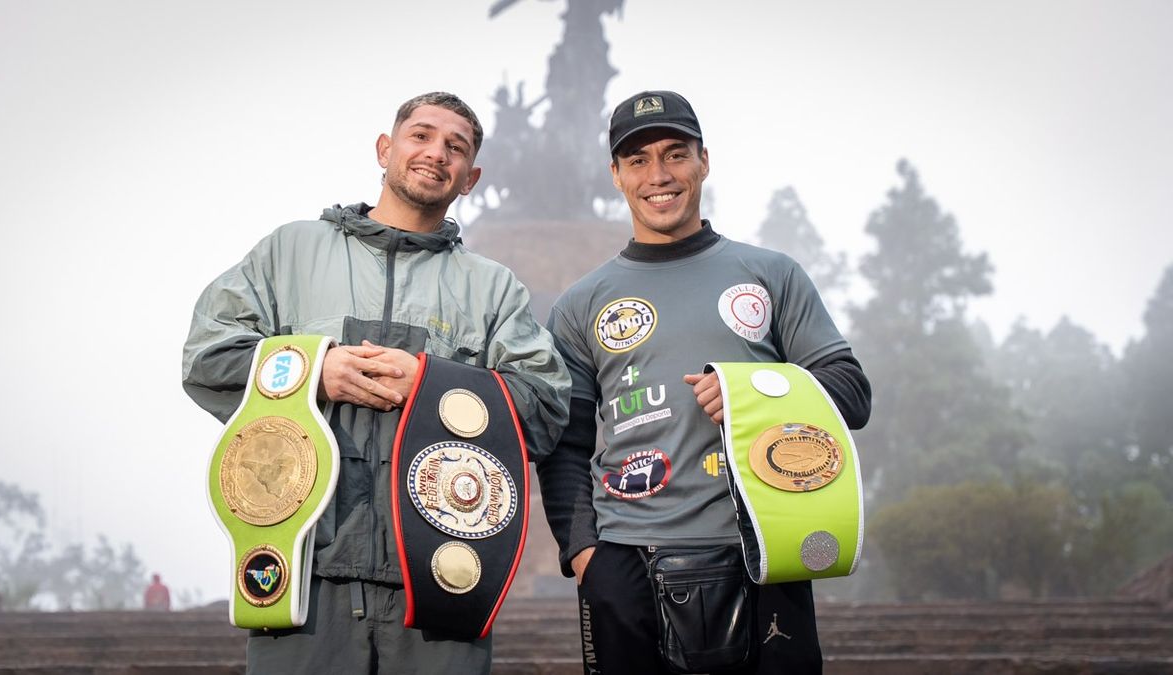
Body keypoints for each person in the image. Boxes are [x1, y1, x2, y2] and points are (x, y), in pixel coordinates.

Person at [182, 91, 570, 674]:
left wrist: (432, 384)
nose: (436, 153)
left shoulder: (492, 289)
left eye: (455, 147)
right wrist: (314, 369)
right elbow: (208, 358)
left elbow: (544, 409)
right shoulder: (291, 252)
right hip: (303, 569)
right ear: (385, 149)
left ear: (471, 177)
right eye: (421, 135)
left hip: (440, 576)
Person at [537, 90, 872, 674]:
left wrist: (752, 392)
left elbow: (850, 391)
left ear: (704, 161)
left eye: (675, 154)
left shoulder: (770, 274)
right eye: (638, 160)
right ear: (616, 175)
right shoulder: (579, 304)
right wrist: (586, 555)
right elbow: (565, 444)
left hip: (765, 551)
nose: (658, 175)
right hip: (625, 561)